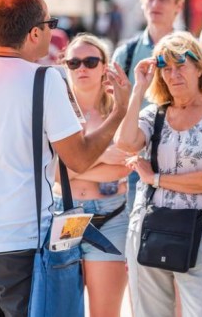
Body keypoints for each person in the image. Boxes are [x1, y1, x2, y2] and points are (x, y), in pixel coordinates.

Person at [0, 0, 130, 315]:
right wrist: (118, 112)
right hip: (24, 244)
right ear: (34, 33)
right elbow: (79, 158)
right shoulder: (45, 79)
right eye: (49, 24)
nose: (52, 30)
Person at [116, 31, 202, 317]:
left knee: (201, 313)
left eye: (181, 65)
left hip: (200, 228)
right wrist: (139, 88)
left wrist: (155, 179)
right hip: (149, 227)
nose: (173, 74)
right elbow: (125, 142)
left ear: (200, 67)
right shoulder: (154, 114)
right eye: (166, 68)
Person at [56, 34, 130, 317]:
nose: (81, 68)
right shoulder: (57, 110)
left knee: (104, 312)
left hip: (111, 216)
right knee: (63, 310)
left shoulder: (118, 110)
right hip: (67, 215)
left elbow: (124, 165)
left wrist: (74, 165)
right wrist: (100, 156)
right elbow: (54, 172)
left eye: (90, 61)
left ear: (104, 66)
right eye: (73, 62)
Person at [113, 0, 184, 211]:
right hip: (137, 162)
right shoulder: (126, 53)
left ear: (178, 6)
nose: (155, 4)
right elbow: (114, 109)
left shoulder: (191, 51)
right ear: (143, 3)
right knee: (139, 239)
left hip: (183, 161)